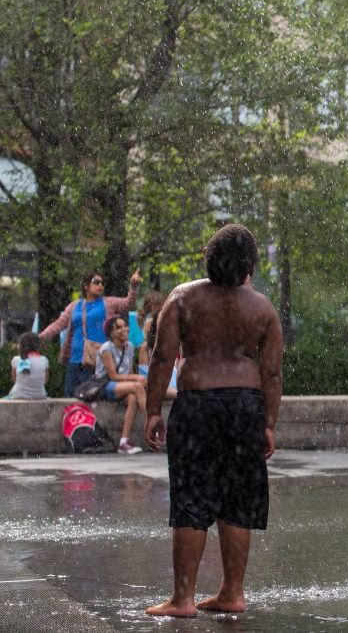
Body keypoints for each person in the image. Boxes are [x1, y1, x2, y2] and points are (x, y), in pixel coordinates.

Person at [143, 223, 284, 618]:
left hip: (197, 405)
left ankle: (183, 598)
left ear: (209, 257)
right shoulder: (262, 309)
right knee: (237, 500)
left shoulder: (183, 298)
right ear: (249, 265)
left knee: (191, 499)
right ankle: (232, 592)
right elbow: (272, 374)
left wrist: (154, 410)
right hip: (245, 407)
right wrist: (268, 422)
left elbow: (161, 357)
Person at [40, 269, 141, 397]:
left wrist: (133, 287)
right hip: (75, 360)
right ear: (86, 286)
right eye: (96, 282)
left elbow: (128, 303)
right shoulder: (74, 306)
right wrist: (40, 338)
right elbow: (58, 325)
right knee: (70, 398)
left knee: (91, 398)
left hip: (96, 361)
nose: (100, 286)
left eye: (102, 283)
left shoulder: (108, 302)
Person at [95, 316, 147, 455]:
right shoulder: (106, 348)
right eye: (119, 327)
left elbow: (128, 372)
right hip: (105, 386)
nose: (124, 329)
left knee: (133, 398)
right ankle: (153, 426)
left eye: (125, 326)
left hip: (122, 386)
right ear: (111, 333)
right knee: (137, 387)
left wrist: (134, 378)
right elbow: (113, 376)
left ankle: (123, 442)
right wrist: (136, 378)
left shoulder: (129, 346)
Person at [5, 332, 49, 400]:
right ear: (38, 345)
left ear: (21, 346)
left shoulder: (16, 360)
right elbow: (45, 380)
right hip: (40, 395)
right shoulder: (44, 360)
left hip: (18, 395)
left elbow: (14, 379)